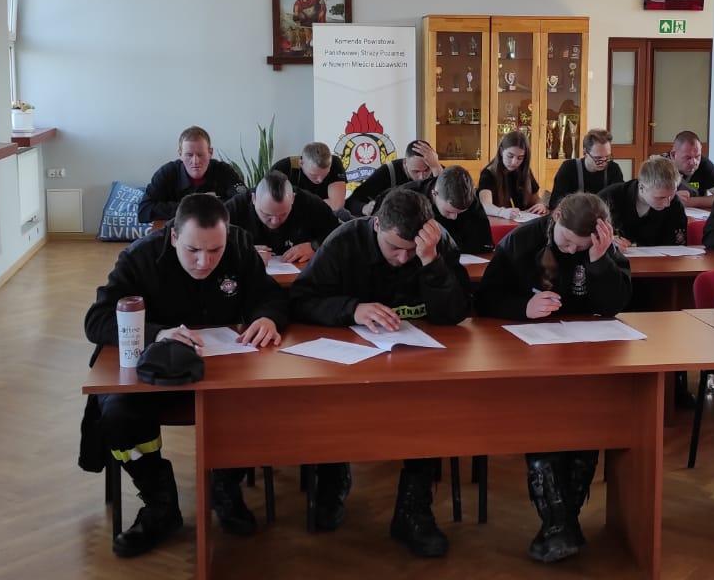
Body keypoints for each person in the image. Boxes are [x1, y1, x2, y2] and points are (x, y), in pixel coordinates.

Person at [82, 195, 286, 556]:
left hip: (223, 371)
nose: (204, 262)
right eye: (193, 250)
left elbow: (271, 296)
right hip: (155, 375)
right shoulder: (140, 258)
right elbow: (97, 320)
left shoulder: (239, 246)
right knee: (116, 414)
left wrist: (267, 317)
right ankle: (159, 502)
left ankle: (226, 485)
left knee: (260, 401)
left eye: (215, 250)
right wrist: (156, 333)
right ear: (174, 236)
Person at [289, 188, 472, 558]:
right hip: (350, 361)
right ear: (376, 225)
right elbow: (300, 300)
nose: (402, 258)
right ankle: (332, 478)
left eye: (411, 250)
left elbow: (457, 312)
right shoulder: (344, 242)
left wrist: (431, 261)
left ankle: (413, 510)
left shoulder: (436, 244)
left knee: (430, 410)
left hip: (419, 361)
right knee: (331, 401)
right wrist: (352, 309)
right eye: (394, 248)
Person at [475, 193, 629, 563]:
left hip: (585, 357)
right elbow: (483, 301)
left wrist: (599, 261)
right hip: (530, 356)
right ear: (556, 217)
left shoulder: (602, 248)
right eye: (567, 242)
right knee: (544, 425)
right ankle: (561, 524)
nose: (572, 250)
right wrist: (522, 308)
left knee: (585, 430)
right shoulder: (521, 242)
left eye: (581, 247)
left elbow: (615, 305)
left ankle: (560, 526)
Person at [224, 173, 340, 266]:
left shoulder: (308, 202)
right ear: (254, 199)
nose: (275, 221)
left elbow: (339, 233)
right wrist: (243, 252)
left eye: (283, 214)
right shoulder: (236, 207)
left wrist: (315, 246)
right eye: (266, 215)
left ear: (293, 198)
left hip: (299, 276)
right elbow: (214, 241)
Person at [138, 127, 249, 223]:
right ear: (180, 154)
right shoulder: (167, 173)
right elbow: (144, 210)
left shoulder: (224, 170)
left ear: (210, 153)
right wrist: (192, 207)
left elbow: (245, 202)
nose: (195, 161)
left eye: (200, 154)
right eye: (189, 155)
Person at [392, 166, 494, 254]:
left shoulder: (469, 199)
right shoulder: (407, 198)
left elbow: (484, 244)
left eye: (460, 212)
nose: (454, 217)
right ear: (434, 194)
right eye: (449, 212)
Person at [597, 156, 688, 248]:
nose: (667, 203)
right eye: (660, 198)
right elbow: (591, 235)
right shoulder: (609, 198)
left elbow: (677, 245)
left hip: (658, 256)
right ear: (641, 187)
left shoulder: (675, 203)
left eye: (671, 195)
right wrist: (611, 242)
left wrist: (635, 245)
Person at [344, 139, 442, 217]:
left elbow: (447, 199)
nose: (421, 177)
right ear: (405, 163)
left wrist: (437, 168)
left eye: (426, 170)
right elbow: (351, 202)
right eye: (416, 171)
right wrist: (364, 208)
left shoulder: (436, 168)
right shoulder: (388, 171)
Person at [549, 129, 623, 209]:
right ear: (585, 153)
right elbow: (555, 202)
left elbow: (620, 200)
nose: (604, 162)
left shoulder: (613, 169)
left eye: (607, 157)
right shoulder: (569, 168)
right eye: (598, 158)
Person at [480, 130, 548, 217]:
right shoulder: (488, 173)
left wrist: (541, 205)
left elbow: (536, 199)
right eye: (510, 156)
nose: (514, 162)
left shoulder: (525, 171)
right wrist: (502, 212)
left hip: (522, 221)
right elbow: (485, 206)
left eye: (520, 158)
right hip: (497, 222)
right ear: (501, 151)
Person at [270, 142, 348, 212]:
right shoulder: (282, 169)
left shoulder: (335, 162)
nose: (320, 180)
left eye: (325, 174)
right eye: (314, 175)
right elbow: (273, 204)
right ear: (301, 163)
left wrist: (297, 204)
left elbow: (336, 205)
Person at [667, 131, 714, 209]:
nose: (694, 162)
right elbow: (650, 196)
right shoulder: (659, 165)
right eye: (687, 158)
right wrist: (671, 198)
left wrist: (690, 202)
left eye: (697, 156)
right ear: (673, 155)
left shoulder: (704, 164)